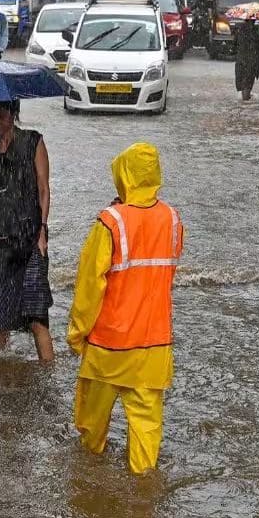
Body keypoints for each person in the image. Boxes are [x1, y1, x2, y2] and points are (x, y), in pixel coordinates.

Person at [67, 143, 184, 474]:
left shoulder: (110, 222)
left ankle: (89, 490)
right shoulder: (173, 220)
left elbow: (89, 287)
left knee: (91, 433)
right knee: (147, 437)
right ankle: (143, 501)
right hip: (154, 347)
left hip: (109, 347)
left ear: (123, 174)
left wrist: (77, 335)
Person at [0, 100, 54, 361]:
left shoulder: (33, 142)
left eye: (1, 116)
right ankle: (1, 373)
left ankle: (48, 377)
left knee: (36, 314)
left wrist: (41, 230)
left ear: (13, 113)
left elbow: (43, 188)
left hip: (29, 239)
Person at [233, 18, 259, 101]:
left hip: (241, 60)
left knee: (242, 84)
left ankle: (245, 100)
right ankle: (246, 100)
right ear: (254, 20)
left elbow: (234, 45)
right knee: (247, 83)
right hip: (252, 61)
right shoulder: (258, 30)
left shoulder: (239, 29)